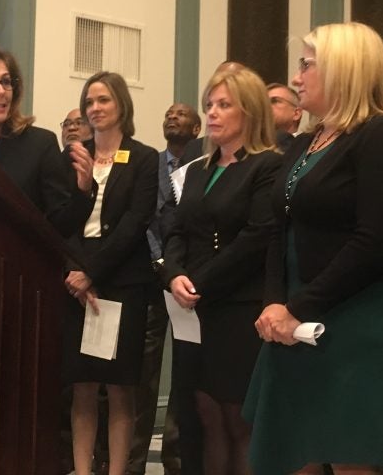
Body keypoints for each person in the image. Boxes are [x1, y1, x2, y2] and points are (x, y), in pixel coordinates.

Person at [245, 22, 383, 475]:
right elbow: (278, 229)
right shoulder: (306, 143)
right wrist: (274, 301)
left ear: (344, 70)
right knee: (297, 448)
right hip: (298, 313)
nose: (296, 77)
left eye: (307, 65)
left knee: (350, 456)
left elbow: (374, 242)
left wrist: (298, 306)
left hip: (358, 315)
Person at [162, 68, 280, 475]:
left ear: (249, 111)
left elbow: (255, 237)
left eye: (223, 105)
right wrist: (173, 274)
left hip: (237, 307)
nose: (211, 113)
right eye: (209, 104)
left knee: (237, 419)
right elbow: (175, 228)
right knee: (204, 415)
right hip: (193, 309)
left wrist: (200, 281)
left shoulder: (266, 166)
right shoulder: (197, 169)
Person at [63, 71, 158, 475]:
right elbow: (61, 219)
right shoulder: (72, 155)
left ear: (121, 104)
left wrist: (94, 273)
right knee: (82, 387)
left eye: (103, 100)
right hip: (74, 281)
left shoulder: (143, 157)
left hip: (123, 281)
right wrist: (76, 271)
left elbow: (135, 224)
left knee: (120, 387)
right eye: (89, 101)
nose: (95, 108)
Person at [0, 46, 95, 238]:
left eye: (6, 81)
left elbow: (60, 225)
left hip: (22, 262)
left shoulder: (40, 144)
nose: (1, 91)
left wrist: (84, 191)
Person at [138, 102, 200, 475]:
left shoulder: (203, 165)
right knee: (143, 370)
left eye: (181, 114)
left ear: (196, 128)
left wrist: (178, 270)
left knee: (185, 367)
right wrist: (161, 262)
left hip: (189, 282)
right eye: (167, 113)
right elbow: (145, 216)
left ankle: (177, 459)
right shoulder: (150, 164)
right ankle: (133, 459)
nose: (171, 117)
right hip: (152, 277)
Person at [266, 83, 302, 151]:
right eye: (264, 102)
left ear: (296, 114)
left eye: (274, 101)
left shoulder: (305, 149)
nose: (266, 106)